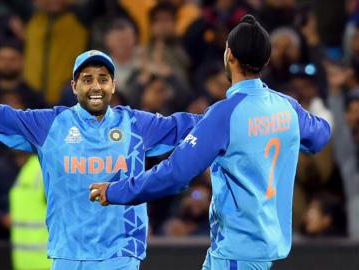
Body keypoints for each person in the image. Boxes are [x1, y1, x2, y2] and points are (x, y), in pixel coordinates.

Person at [0, 50, 202, 269]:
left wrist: (243, 110)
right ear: (74, 85)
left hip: (119, 254)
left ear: (113, 85)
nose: (96, 86)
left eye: (103, 78)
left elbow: (191, 126)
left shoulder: (137, 124)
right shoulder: (49, 125)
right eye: (87, 79)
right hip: (66, 254)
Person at [90, 15, 331, 270]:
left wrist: (116, 191)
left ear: (229, 55)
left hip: (236, 254)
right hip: (265, 250)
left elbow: (175, 174)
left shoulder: (224, 114)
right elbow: (321, 135)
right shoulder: (287, 108)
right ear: (266, 60)